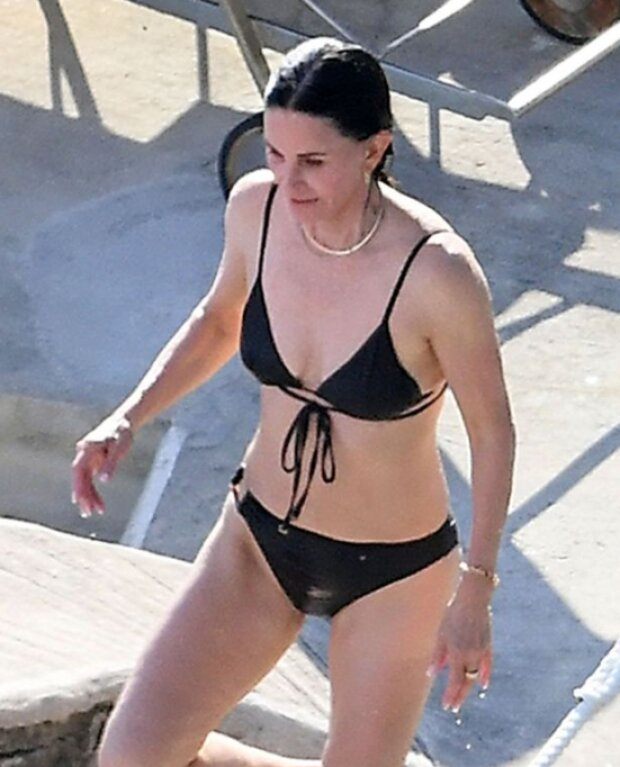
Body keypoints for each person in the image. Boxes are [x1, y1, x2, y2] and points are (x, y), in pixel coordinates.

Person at [72, 36, 515, 767]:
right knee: (132, 756)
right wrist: (129, 415)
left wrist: (477, 589)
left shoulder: (438, 273)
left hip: (394, 572)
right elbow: (220, 319)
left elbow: (493, 433)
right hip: (258, 539)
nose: (289, 179)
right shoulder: (258, 209)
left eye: (312, 161)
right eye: (275, 153)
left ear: (375, 149)